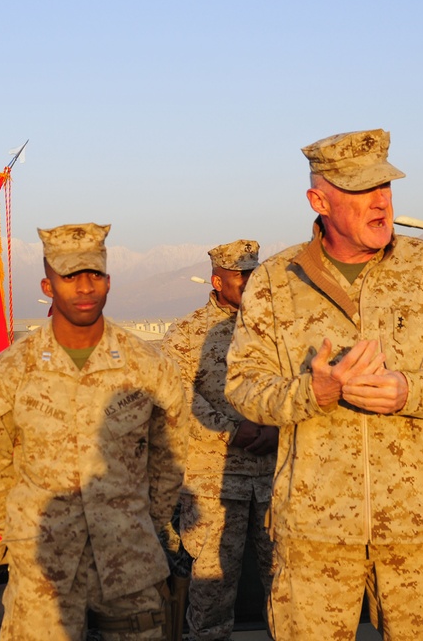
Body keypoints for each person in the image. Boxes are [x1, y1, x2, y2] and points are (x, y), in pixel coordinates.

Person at [225, 129, 423, 640]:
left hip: (419, 526)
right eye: (360, 190)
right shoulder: (274, 280)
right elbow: (243, 385)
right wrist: (315, 393)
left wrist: (411, 391)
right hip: (314, 531)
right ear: (319, 199)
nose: (380, 202)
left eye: (386, 187)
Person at [0, 223, 188, 640]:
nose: (84, 287)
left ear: (108, 281)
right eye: (70, 276)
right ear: (47, 285)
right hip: (43, 570)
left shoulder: (147, 366)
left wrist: (140, 523)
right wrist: (22, 528)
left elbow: (170, 455)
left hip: (130, 564)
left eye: (95, 275)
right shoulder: (11, 370)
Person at [161, 239, 276, 640]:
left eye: (254, 272)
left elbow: (303, 386)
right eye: (240, 275)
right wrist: (232, 431)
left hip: (275, 477)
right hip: (215, 483)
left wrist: (279, 427)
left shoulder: (278, 327)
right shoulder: (188, 332)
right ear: (217, 280)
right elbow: (178, 398)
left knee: (287, 586)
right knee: (211, 594)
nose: (249, 280)